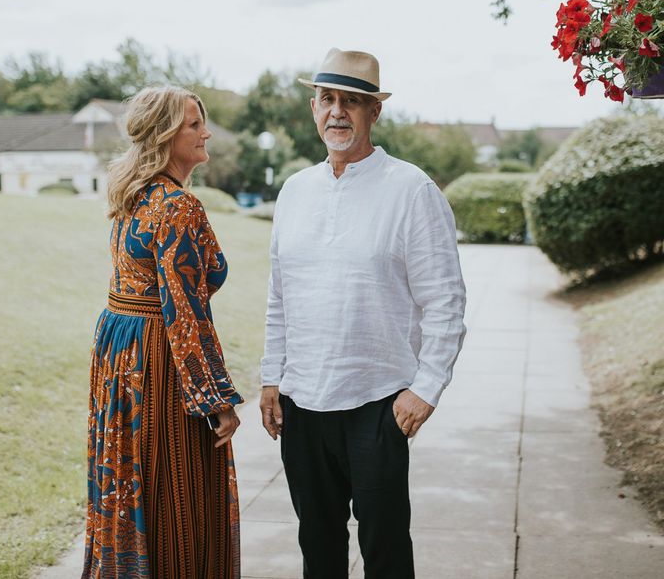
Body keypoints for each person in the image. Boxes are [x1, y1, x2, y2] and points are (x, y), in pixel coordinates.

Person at [259, 48, 467, 578]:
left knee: (387, 550)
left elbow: (445, 300)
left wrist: (426, 388)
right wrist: (270, 378)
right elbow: (279, 295)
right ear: (312, 107)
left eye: (352, 101)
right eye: (328, 99)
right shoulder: (294, 191)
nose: (338, 112)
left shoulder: (412, 190)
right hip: (302, 402)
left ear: (375, 113)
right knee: (319, 550)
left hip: (378, 402)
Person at [82, 85, 243, 578]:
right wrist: (215, 397)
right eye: (194, 124)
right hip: (157, 362)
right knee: (176, 491)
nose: (205, 132)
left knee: (133, 479)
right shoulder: (176, 206)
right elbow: (184, 313)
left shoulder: (134, 194)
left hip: (119, 352)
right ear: (166, 134)